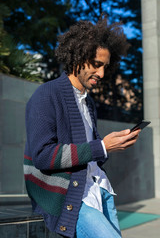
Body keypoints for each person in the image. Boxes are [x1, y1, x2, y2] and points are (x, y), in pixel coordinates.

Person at [24, 17, 140, 238]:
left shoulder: (87, 101)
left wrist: (112, 145)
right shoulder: (47, 95)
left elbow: (89, 152)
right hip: (71, 197)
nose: (102, 74)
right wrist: (102, 147)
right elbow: (42, 155)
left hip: (100, 189)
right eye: (96, 64)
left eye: (105, 67)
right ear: (77, 56)